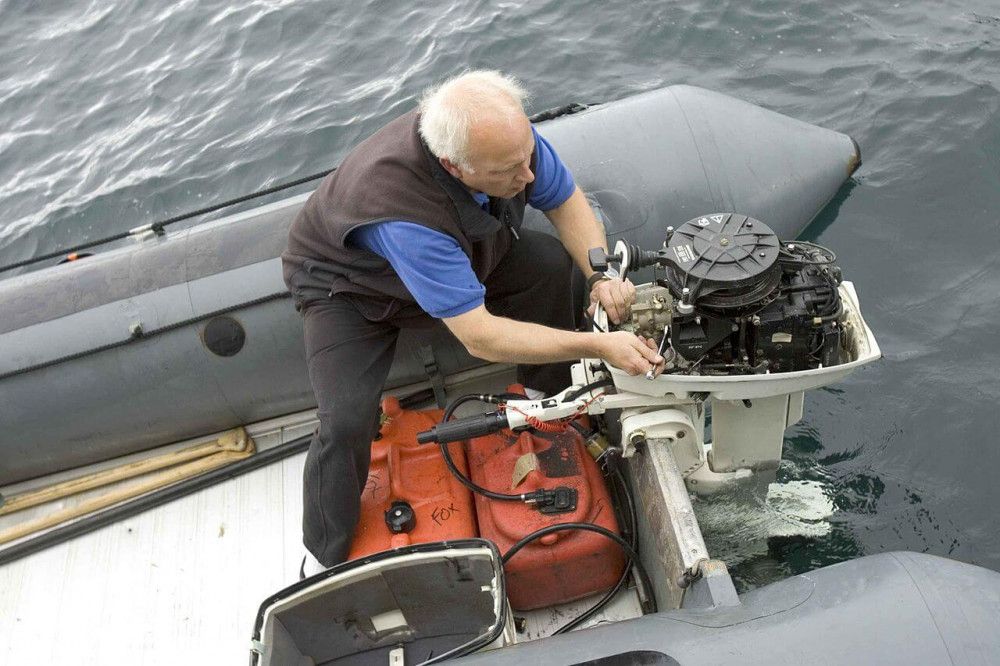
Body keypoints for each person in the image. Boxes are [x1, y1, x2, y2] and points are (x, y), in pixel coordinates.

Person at [281, 70, 663, 572]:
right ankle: (329, 555)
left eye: (527, 158)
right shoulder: (405, 216)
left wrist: (599, 274)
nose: (527, 177)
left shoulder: (507, 145)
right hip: (350, 290)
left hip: (460, 251)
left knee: (550, 264)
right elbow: (479, 336)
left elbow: (565, 199)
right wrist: (597, 347)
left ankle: (544, 406)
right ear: (455, 167)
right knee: (346, 419)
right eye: (510, 171)